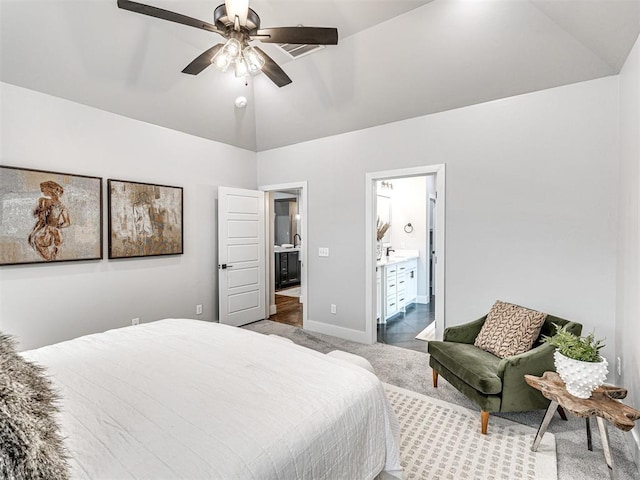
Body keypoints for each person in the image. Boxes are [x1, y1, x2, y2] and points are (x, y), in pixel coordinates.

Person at [28, 180, 71, 261]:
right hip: (57, 233)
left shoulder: (43, 201)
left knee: (48, 258)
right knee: (52, 258)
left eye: (43, 189)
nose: (41, 191)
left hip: (44, 232)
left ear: (49, 190)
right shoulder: (62, 206)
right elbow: (67, 223)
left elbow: (38, 217)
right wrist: (56, 226)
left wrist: (33, 234)